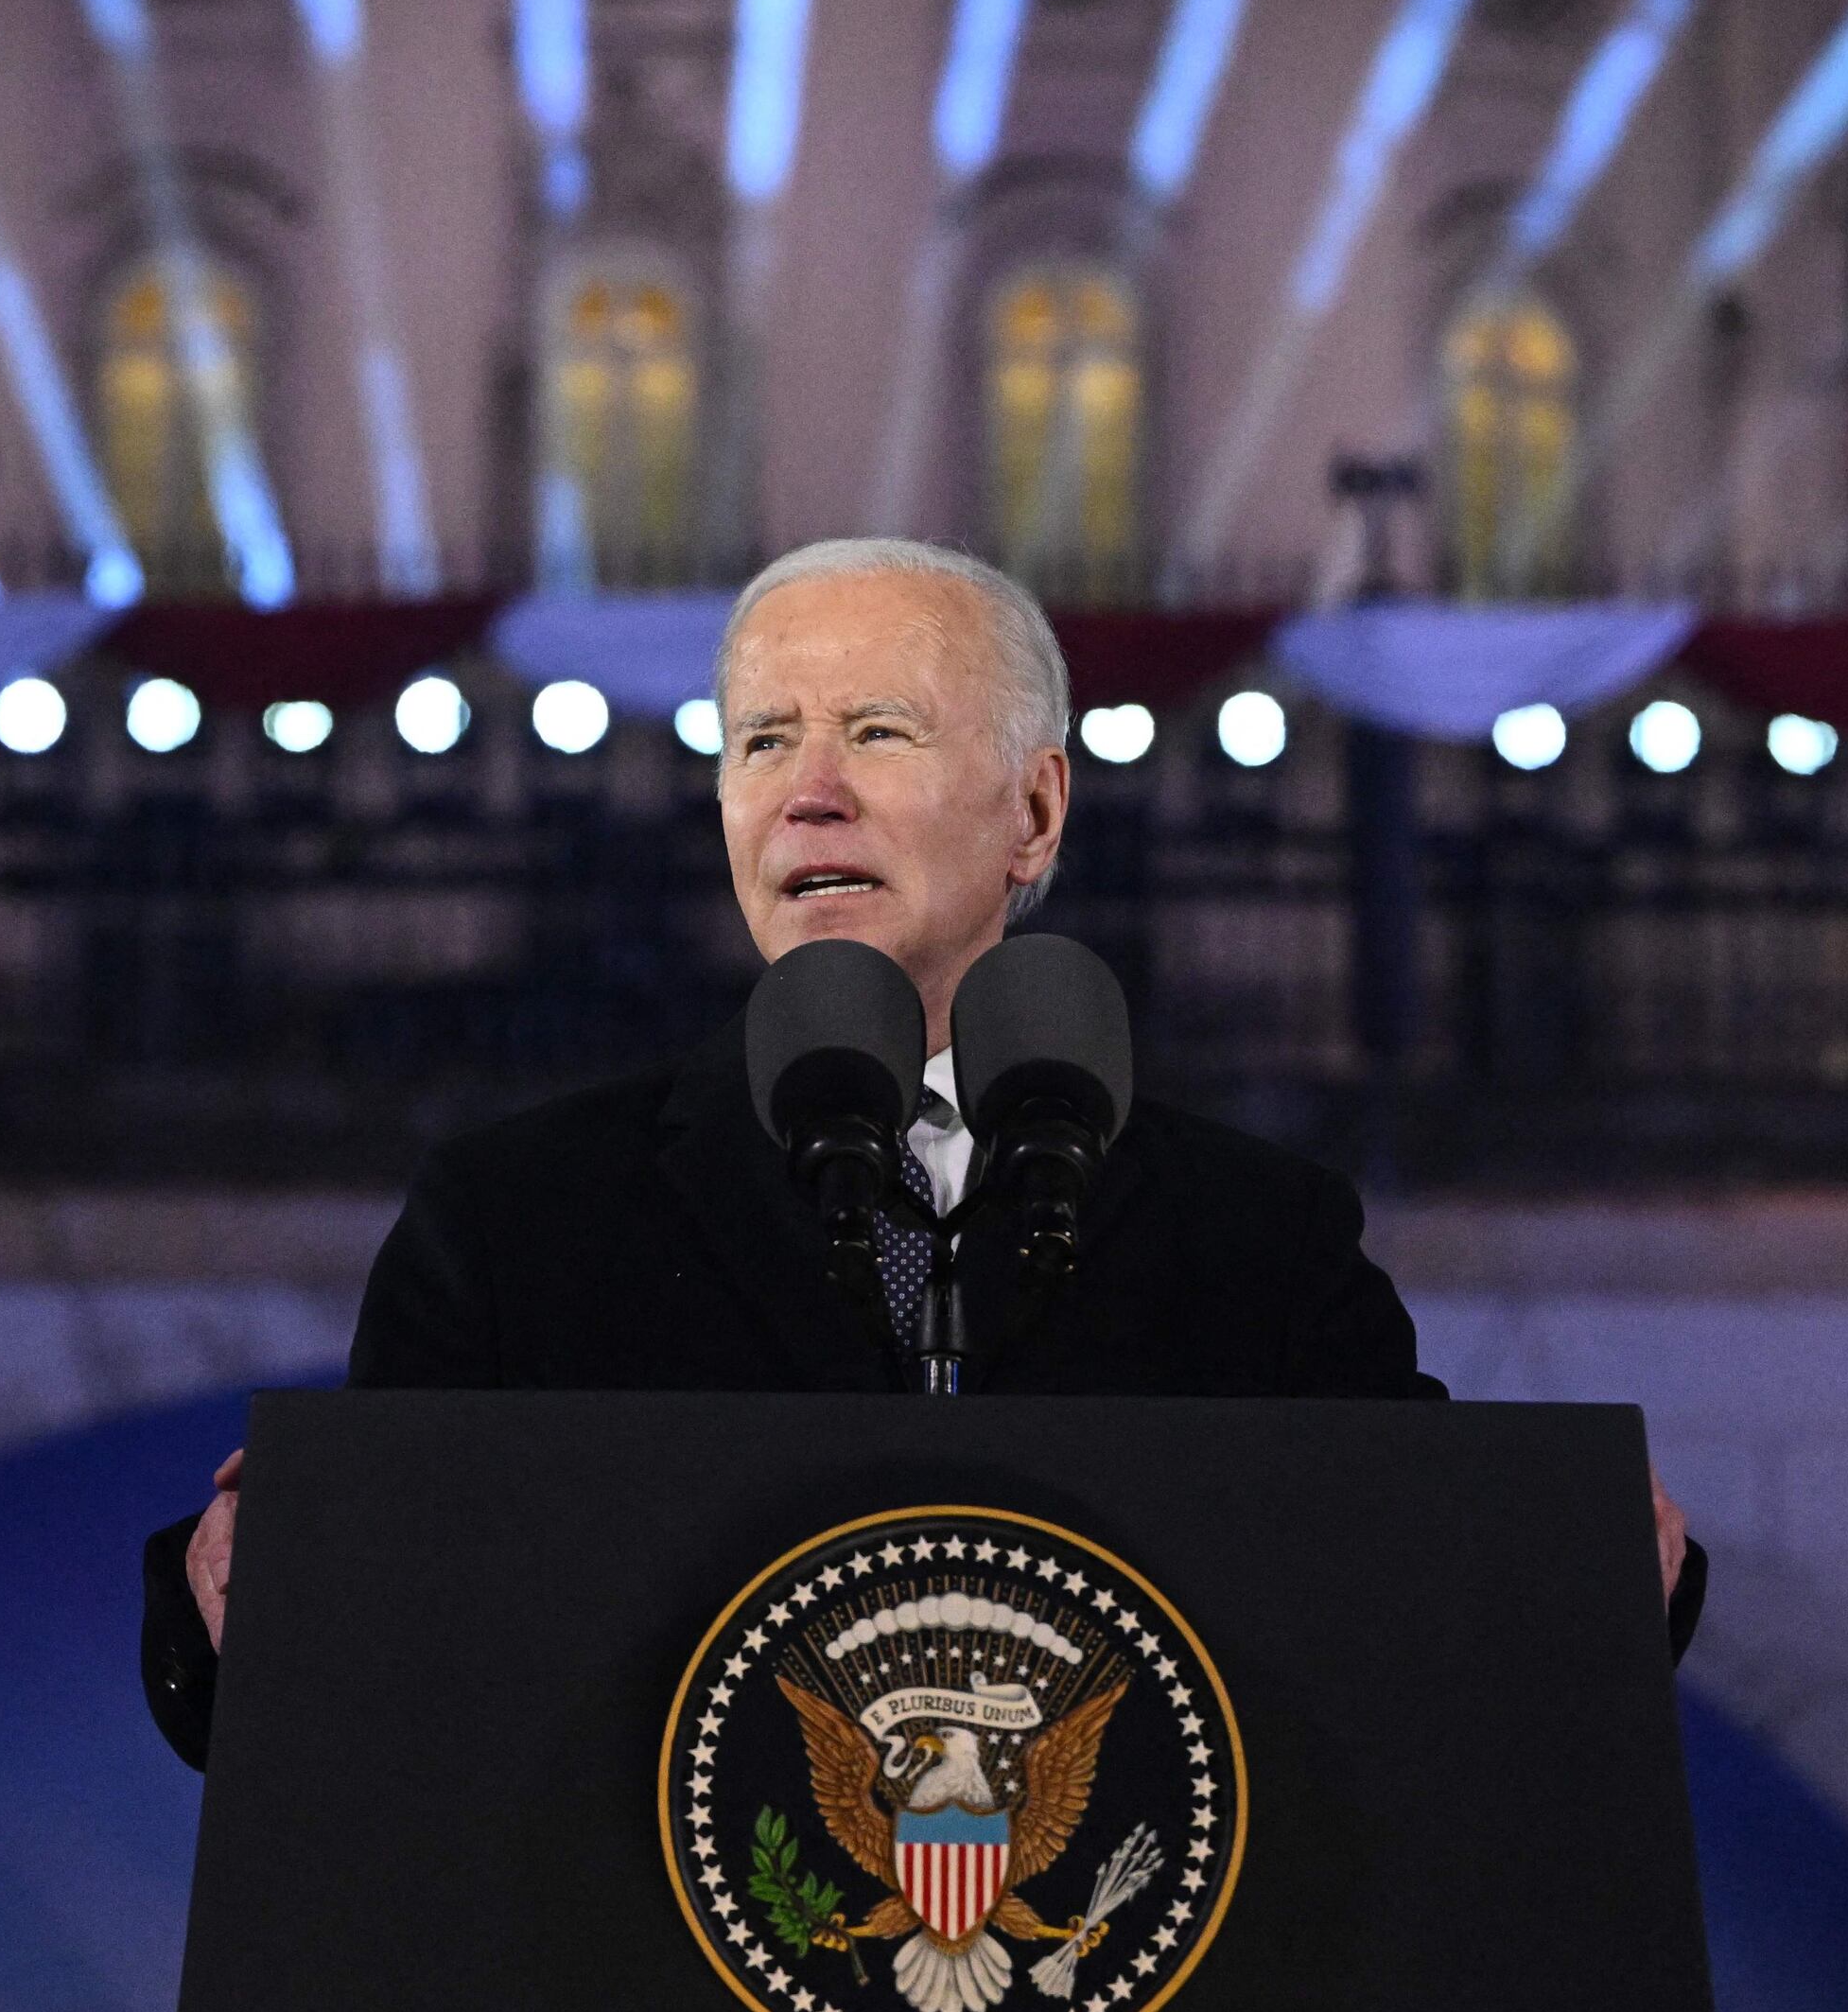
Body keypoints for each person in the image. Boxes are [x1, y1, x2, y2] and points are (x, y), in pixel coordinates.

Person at [141, 536, 1702, 1762]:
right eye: (763, 740)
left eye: (878, 730)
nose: (807, 788)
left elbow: (1419, 1617)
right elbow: (338, 1685)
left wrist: (1594, 1581)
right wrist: (241, 1597)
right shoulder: (520, 1217)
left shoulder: (1257, 1238)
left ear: (1036, 809)